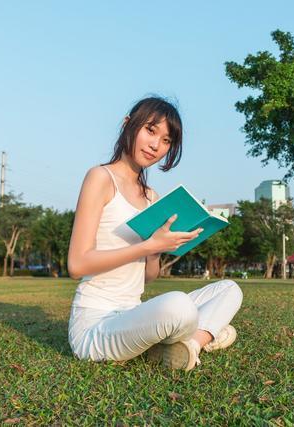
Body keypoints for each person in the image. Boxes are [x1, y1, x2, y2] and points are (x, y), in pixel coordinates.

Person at [67, 97, 243, 371]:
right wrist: (147, 246)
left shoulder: (152, 198)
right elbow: (77, 265)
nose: (155, 145)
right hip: (95, 325)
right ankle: (200, 336)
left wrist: (159, 248)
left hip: (133, 313)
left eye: (166, 140)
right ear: (128, 124)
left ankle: (190, 345)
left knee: (229, 290)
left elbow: (148, 276)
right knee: (178, 305)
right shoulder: (100, 178)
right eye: (150, 130)